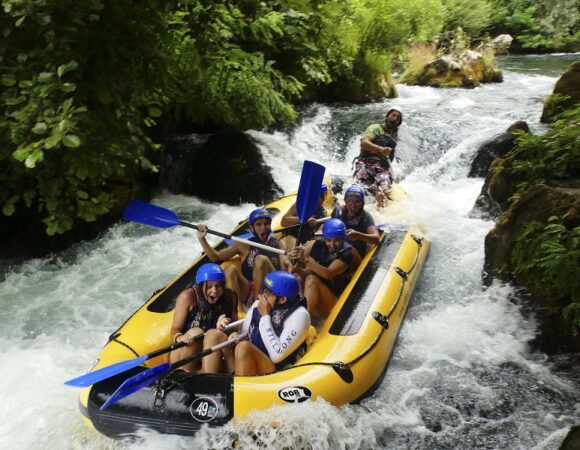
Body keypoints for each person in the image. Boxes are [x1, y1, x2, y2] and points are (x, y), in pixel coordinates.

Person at [202, 271, 310, 376]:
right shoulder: (257, 305)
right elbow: (245, 336)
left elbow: (277, 355)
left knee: (244, 347)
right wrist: (234, 336)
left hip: (274, 371)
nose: (262, 295)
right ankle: (207, 384)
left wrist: (265, 316)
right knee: (213, 334)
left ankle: (240, 390)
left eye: (268, 292)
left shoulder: (300, 316)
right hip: (248, 360)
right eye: (264, 289)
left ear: (282, 299)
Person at [196, 208, 284, 312]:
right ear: (252, 227)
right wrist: (202, 239)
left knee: (261, 259)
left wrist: (291, 258)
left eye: (266, 224)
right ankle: (238, 312)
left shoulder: (278, 243)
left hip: (272, 287)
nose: (263, 228)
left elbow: (285, 267)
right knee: (230, 269)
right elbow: (216, 257)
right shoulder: (242, 244)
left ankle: (257, 307)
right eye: (258, 224)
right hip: (249, 288)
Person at [169, 263, 237, 372]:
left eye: (219, 285)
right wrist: (179, 337)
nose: (214, 290)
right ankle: (186, 373)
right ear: (200, 286)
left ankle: (208, 375)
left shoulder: (230, 298)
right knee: (196, 332)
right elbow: (174, 329)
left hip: (210, 351)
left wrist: (230, 331)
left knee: (213, 334)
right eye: (209, 286)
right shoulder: (188, 297)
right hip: (188, 351)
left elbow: (234, 327)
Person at [288, 219, 358, 317]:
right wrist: (296, 269)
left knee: (311, 279)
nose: (332, 245)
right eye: (328, 240)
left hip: (336, 302)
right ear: (324, 238)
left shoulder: (347, 253)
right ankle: (294, 313)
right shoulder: (318, 246)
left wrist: (306, 259)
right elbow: (307, 273)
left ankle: (304, 321)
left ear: (343, 239)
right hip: (318, 294)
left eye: (337, 240)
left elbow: (328, 274)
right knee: (298, 277)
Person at [355, 107, 403, 206]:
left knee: (385, 190)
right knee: (364, 188)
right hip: (366, 163)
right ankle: (374, 191)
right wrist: (380, 149)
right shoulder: (375, 128)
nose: (394, 118)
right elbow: (363, 143)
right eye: (393, 115)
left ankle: (380, 198)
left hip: (383, 169)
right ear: (387, 117)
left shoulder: (394, 137)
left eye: (398, 118)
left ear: (398, 123)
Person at [331, 186, 380, 258]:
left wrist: (358, 235)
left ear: (362, 203)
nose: (353, 205)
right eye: (349, 201)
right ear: (345, 201)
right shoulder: (337, 211)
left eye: (357, 202)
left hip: (354, 253)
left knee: (348, 249)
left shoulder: (366, 217)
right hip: (336, 247)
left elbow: (376, 239)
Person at [279, 183, 329, 249]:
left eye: (323, 196)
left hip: (305, 243)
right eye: (320, 196)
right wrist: (303, 219)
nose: (322, 200)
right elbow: (283, 222)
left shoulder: (323, 212)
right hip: (291, 238)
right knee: (293, 241)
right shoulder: (300, 205)